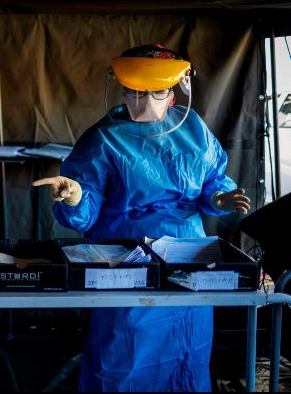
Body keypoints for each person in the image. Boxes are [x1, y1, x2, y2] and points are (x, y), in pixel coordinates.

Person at [34, 43, 251, 392]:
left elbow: (212, 178)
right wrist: (74, 197)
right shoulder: (103, 138)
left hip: (188, 257)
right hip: (125, 258)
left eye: (157, 92)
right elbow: (84, 215)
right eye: (135, 92)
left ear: (175, 91)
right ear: (122, 88)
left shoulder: (192, 127)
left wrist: (219, 196)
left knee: (187, 350)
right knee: (124, 352)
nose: (145, 101)